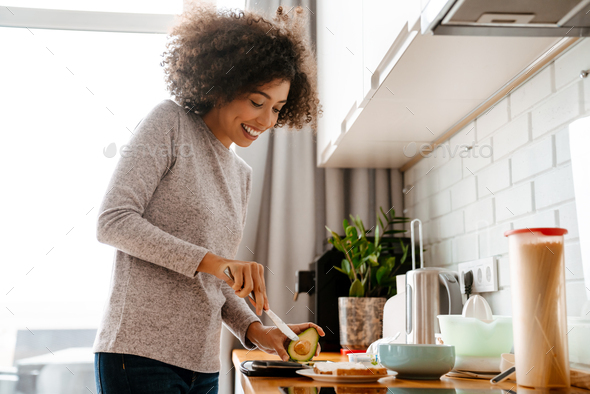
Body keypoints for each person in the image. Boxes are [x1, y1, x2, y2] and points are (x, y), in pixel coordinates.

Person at [93, 4, 323, 394]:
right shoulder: (170, 123)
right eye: (257, 101)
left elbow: (217, 280)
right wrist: (216, 262)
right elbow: (113, 221)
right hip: (139, 357)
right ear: (221, 84)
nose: (267, 121)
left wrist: (257, 330)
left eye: (278, 109)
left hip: (202, 367)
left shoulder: (240, 175)